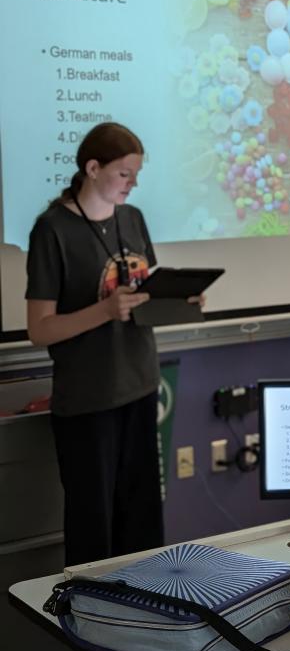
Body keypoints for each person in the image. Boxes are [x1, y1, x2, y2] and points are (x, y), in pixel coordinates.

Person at [25, 122, 163, 566]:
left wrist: (179, 299)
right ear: (92, 167)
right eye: (125, 174)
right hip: (88, 402)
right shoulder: (52, 230)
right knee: (93, 531)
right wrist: (104, 311)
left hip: (140, 387)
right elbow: (39, 328)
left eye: (136, 174)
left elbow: (145, 297)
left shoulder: (133, 218)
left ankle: (146, 621)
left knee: (142, 525)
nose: (133, 183)